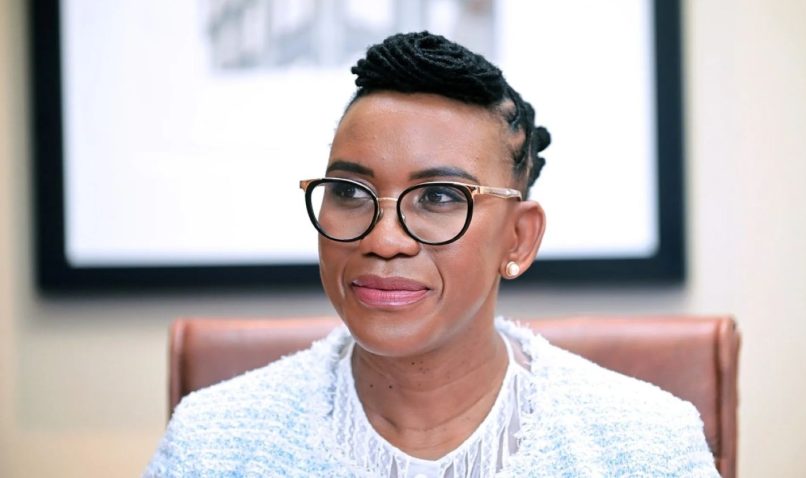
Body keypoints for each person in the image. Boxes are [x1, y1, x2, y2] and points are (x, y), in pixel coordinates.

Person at [144, 32, 719, 477]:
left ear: (519, 239)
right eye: (349, 191)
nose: (383, 240)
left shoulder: (641, 446)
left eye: (439, 197)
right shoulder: (214, 444)